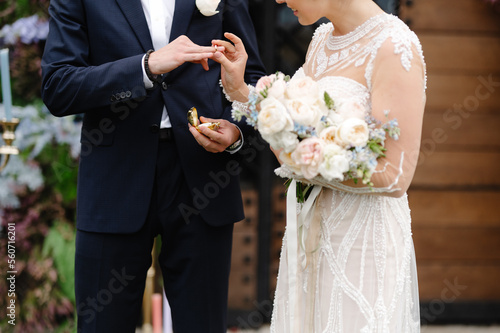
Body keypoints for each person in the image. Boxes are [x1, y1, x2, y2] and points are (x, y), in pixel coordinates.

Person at [41, 0, 265, 332]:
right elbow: (58, 85)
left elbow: (250, 76)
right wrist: (146, 67)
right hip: (114, 180)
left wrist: (236, 131)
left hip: (203, 179)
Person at [213, 0, 426, 331]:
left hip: (362, 242)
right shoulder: (321, 40)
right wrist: (241, 91)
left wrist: (302, 163)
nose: (280, 1)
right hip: (308, 236)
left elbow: (394, 176)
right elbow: (294, 133)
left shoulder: (394, 46)